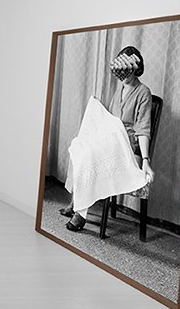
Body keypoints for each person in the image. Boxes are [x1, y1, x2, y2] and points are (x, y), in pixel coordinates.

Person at [61, 46, 155, 231]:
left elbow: (143, 129)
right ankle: (76, 201)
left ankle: (80, 213)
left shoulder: (144, 92)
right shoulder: (120, 90)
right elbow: (111, 119)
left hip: (127, 145)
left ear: (136, 68)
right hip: (112, 139)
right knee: (79, 147)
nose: (124, 75)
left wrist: (145, 159)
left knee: (90, 155)